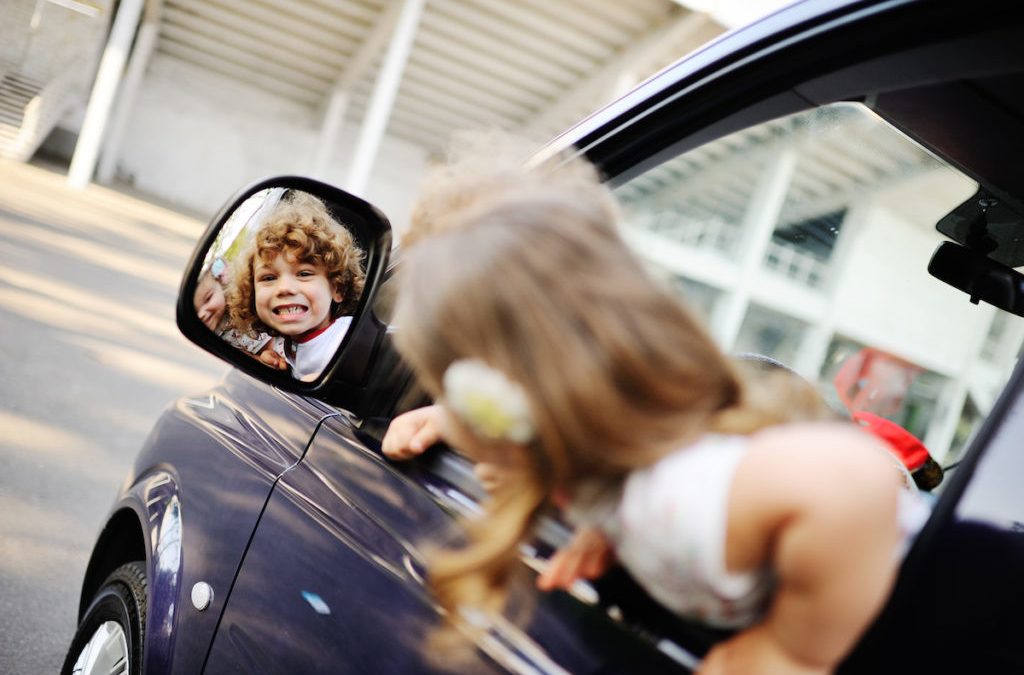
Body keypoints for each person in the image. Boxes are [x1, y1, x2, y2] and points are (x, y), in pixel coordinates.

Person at [383, 153, 921, 674]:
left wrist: (795, 651)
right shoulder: (617, 476)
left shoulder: (680, 491)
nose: (444, 409)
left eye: (446, 385)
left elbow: (856, 480)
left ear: (502, 404)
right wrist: (608, 524)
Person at [226, 192, 366, 381]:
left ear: (338, 288)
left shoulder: (346, 338)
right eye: (268, 277)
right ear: (252, 294)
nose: (285, 288)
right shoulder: (285, 348)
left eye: (304, 274)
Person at [193, 263, 287, 369]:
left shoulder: (239, 301)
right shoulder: (214, 341)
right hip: (274, 361)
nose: (201, 314)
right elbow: (247, 361)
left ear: (221, 284)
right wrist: (264, 360)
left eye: (208, 298)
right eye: (194, 311)